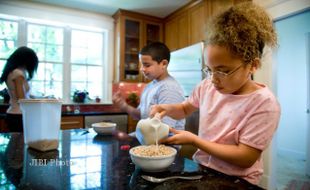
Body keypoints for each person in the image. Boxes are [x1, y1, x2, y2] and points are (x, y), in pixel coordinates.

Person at [149, 2, 280, 185]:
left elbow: (246, 157)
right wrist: (167, 108)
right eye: (209, 70)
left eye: (223, 71)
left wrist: (195, 140)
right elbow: (186, 108)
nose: (213, 79)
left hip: (237, 182)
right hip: (202, 171)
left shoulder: (264, 104)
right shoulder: (207, 86)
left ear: (253, 65)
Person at [113, 42, 185, 130]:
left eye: (147, 65)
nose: (142, 69)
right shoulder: (150, 86)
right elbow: (141, 115)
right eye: (141, 64)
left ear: (163, 64)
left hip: (165, 143)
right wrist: (123, 106)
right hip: (150, 141)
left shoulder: (169, 89)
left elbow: (165, 130)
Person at [0, 46, 39, 132]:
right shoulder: (18, 74)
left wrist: (35, 97)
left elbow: (19, 94)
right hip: (19, 115)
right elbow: (21, 98)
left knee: (15, 143)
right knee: (19, 144)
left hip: (14, 113)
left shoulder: (12, 72)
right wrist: (37, 103)